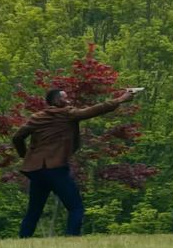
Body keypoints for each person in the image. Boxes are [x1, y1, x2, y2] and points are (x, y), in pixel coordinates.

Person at [11, 87, 138, 238]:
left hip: (36, 171)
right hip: (55, 169)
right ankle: (71, 239)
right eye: (66, 97)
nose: (69, 100)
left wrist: (26, 157)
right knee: (76, 208)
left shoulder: (37, 117)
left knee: (34, 211)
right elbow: (95, 110)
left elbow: (17, 138)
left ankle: (23, 240)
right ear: (58, 101)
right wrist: (121, 99)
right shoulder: (67, 114)